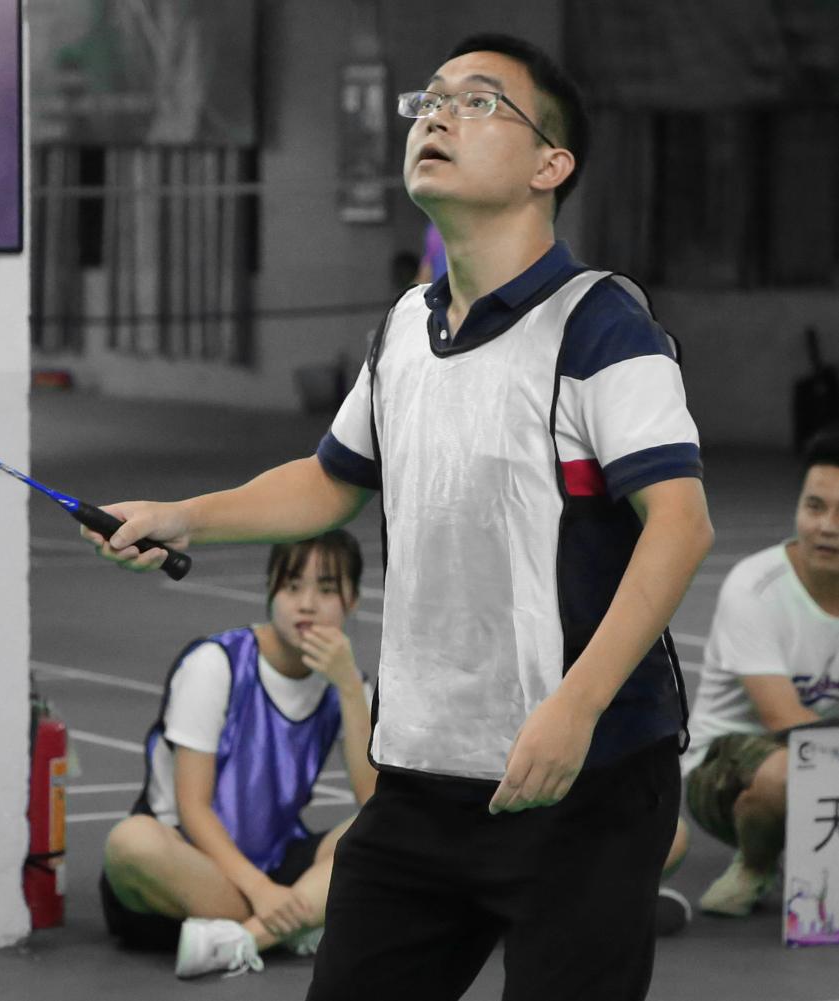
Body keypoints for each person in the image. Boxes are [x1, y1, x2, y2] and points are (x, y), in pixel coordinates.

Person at [80, 32, 713, 1001]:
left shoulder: (601, 328)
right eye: (431, 99)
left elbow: (677, 523)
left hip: (579, 776)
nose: (436, 115)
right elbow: (332, 481)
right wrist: (186, 515)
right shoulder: (406, 328)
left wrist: (574, 706)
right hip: (420, 782)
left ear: (552, 163)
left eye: (478, 102)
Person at [99, 531, 376, 978]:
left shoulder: (348, 686)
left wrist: (348, 687)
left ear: (354, 600)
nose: (307, 604)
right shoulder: (216, 664)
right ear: (270, 589)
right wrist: (262, 890)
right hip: (191, 868)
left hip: (278, 862)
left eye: (326, 590)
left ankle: (243, 940)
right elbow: (192, 807)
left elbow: (373, 802)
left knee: (385, 828)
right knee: (130, 841)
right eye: (292, 587)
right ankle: (300, 920)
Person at [682, 427, 839, 917]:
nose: (827, 527)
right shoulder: (756, 588)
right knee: (787, 775)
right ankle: (755, 864)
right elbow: (787, 723)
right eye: (815, 507)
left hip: (830, 760)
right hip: (727, 765)